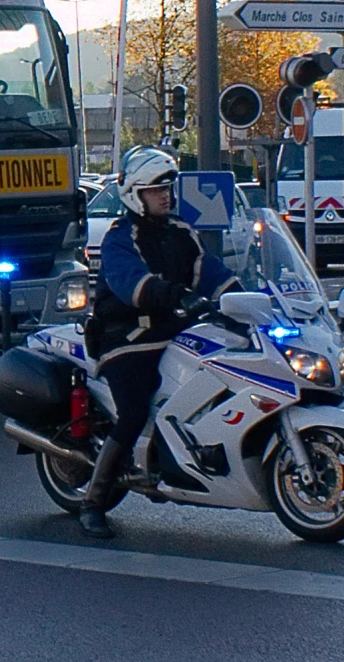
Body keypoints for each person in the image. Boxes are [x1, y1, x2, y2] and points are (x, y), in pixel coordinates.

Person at [75, 147, 238, 539]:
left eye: (167, 187)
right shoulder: (119, 238)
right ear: (135, 194)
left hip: (174, 332)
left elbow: (211, 272)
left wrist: (243, 299)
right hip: (127, 339)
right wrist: (174, 295)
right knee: (132, 412)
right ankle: (93, 501)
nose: (165, 194)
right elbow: (131, 283)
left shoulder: (181, 232)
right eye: (155, 189)